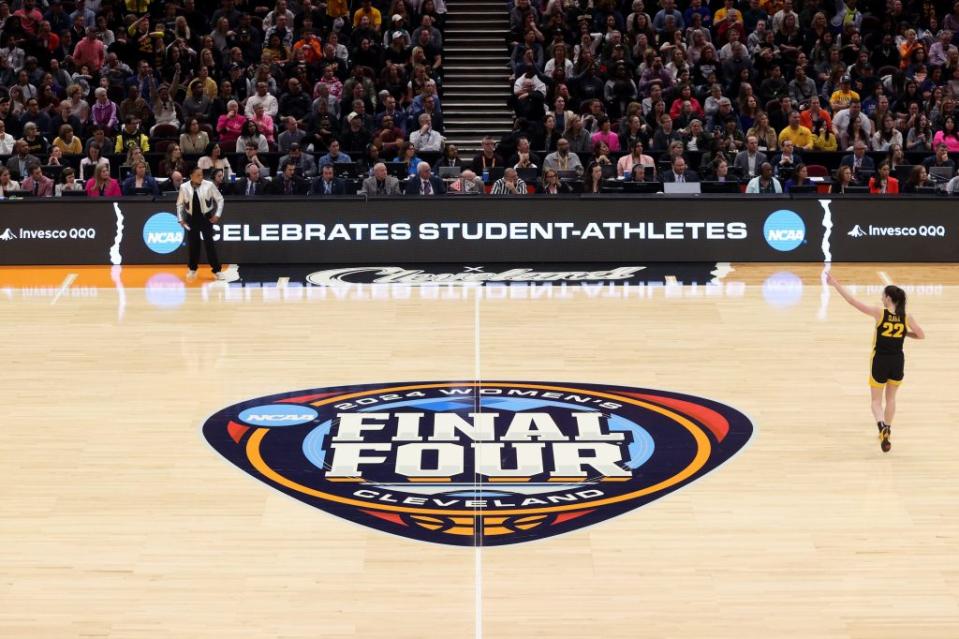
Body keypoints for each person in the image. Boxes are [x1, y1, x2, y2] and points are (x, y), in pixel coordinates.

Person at [826, 272, 925, 452]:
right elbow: (921, 335)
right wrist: (905, 333)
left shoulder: (879, 313)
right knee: (892, 399)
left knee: (875, 402)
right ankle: (888, 428)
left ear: (888, 298)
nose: (881, 298)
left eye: (882, 296)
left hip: (880, 360)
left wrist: (835, 284)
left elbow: (852, 301)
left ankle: (881, 427)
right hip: (897, 361)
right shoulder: (906, 317)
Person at [176, 165, 226, 281]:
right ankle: (192, 269)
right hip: (191, 218)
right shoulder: (184, 187)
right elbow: (180, 204)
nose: (201, 177)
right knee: (193, 244)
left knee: (209, 244)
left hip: (206, 218)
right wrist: (180, 218)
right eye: (198, 175)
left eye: (202, 174)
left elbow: (220, 199)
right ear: (191, 176)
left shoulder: (209, 185)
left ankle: (217, 270)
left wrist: (217, 214)